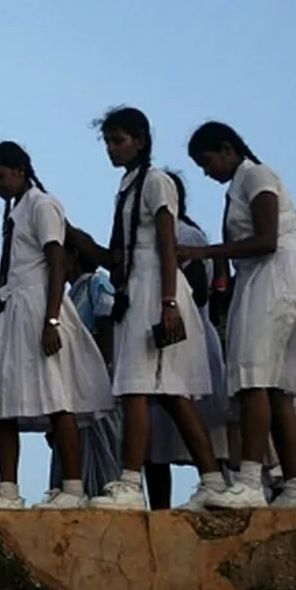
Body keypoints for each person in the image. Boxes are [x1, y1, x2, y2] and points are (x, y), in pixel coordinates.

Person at [69, 106, 228, 511]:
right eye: (107, 142)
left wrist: (168, 302)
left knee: (136, 388)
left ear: (140, 140)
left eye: (118, 140)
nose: (111, 148)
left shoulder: (156, 182)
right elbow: (116, 257)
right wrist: (73, 235)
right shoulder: (127, 187)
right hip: (136, 288)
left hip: (156, 291)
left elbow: (166, 246)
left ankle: (128, 482)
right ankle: (212, 480)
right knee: (171, 395)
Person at [0, 141, 115, 508]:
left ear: (19, 169)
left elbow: (56, 262)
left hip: (39, 308)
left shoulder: (42, 205)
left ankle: (73, 488)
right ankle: (8, 489)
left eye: (0, 177)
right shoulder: (16, 213)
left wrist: (51, 319)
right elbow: (10, 277)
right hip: (14, 312)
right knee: (0, 401)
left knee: (58, 398)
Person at [177, 121, 296, 508]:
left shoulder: (256, 175)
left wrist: (206, 253)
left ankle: (249, 481)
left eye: (207, 161)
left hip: (271, 281)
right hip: (268, 280)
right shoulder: (243, 184)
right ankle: (295, 486)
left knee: (254, 380)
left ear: (228, 149)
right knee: (278, 390)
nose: (206, 171)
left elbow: (266, 239)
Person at [140, 171, 231, 509]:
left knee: (203, 425)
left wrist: (166, 295)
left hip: (187, 335)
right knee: (153, 440)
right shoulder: (144, 236)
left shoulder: (187, 235)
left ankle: (214, 491)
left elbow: (199, 291)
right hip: (156, 336)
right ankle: (160, 510)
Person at [43, 242, 124, 499]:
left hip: (96, 376)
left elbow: (106, 323)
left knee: (100, 440)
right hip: (75, 377)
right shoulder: (69, 295)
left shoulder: (96, 283)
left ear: (73, 257)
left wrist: (106, 368)